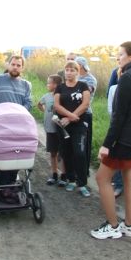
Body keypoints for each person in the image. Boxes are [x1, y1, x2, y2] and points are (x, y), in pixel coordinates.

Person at [91, 42, 131, 240]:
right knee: (129, 179)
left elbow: (119, 116)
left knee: (101, 178)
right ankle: (130, 226)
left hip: (122, 140)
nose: (118, 58)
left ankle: (113, 225)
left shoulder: (126, 78)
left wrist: (107, 144)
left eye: (121, 54)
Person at [0, 55, 32, 186]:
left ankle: (11, 184)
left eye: (18, 65)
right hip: (0, 125)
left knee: (16, 152)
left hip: (18, 126)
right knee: (2, 153)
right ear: (8, 65)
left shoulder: (26, 85)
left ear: (22, 68)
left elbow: (28, 103)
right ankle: (3, 186)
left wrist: (20, 114)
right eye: (13, 64)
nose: (15, 67)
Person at [54, 60, 91, 197]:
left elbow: (85, 104)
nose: (69, 73)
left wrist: (71, 118)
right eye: (67, 70)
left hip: (79, 125)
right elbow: (57, 106)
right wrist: (70, 117)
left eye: (72, 70)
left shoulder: (83, 85)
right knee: (66, 152)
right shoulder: (60, 87)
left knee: (80, 153)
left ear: (77, 72)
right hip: (63, 125)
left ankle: (82, 183)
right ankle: (71, 180)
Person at [37, 74, 63, 185]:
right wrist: (46, 112)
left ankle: (64, 175)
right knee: (53, 152)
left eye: (49, 82)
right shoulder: (46, 96)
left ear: (55, 85)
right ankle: (54, 174)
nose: (47, 84)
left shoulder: (62, 96)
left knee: (63, 153)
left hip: (61, 129)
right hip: (50, 128)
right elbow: (39, 104)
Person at [75, 56, 97, 179]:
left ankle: (85, 171)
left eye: (76, 65)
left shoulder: (90, 79)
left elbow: (84, 97)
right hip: (72, 113)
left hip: (85, 114)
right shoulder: (75, 77)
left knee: (84, 144)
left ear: (82, 66)